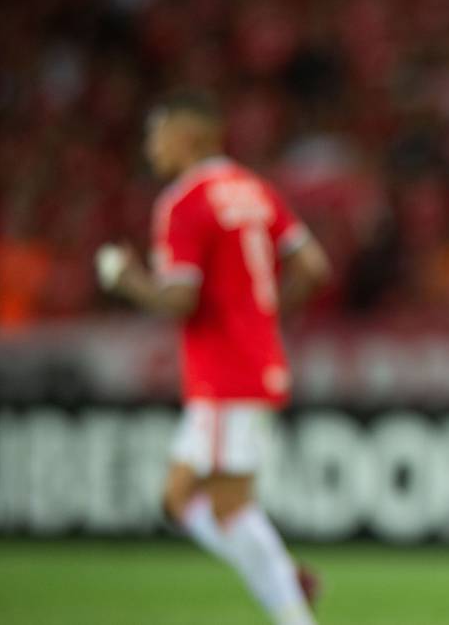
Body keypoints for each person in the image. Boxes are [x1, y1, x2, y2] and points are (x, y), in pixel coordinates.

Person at [95, 91, 331, 625]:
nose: (151, 147)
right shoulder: (255, 189)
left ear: (188, 136)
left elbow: (180, 298)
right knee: (182, 500)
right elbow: (314, 268)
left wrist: (125, 279)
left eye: (157, 134)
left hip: (225, 373)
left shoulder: (183, 202)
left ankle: (288, 598)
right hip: (252, 360)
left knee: (223, 507)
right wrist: (262, 314)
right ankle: (281, 573)